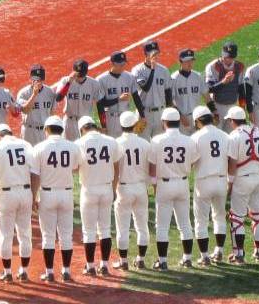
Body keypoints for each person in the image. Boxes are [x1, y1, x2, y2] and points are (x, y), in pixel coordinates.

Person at [31, 116, 80, 281]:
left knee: (48, 236)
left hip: (47, 194)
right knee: (66, 235)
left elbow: (35, 176)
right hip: (66, 194)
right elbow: (75, 168)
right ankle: (66, 271)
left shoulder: (39, 147)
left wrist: (33, 197)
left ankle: (50, 272)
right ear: (62, 129)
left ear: (46, 129)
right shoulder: (72, 146)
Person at [0, 123, 34, 281]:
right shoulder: (25, 144)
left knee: (6, 235)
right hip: (26, 192)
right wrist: (34, 195)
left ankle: (7, 273)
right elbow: (34, 171)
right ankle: (24, 271)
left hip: (7, 195)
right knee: (25, 234)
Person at [151, 108, 197, 267]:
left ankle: (162, 261)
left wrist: (154, 186)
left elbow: (152, 164)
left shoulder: (156, 140)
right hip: (183, 183)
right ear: (178, 122)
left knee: (162, 225)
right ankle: (187, 258)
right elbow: (193, 161)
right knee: (185, 224)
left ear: (164, 123)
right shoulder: (189, 140)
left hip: (164, 184)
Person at [73, 115, 119, 275]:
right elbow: (117, 165)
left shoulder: (79, 143)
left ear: (82, 129)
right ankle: (105, 265)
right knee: (105, 229)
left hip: (89, 190)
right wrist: (113, 189)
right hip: (106, 188)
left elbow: (73, 168)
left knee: (89, 230)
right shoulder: (111, 141)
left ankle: (90, 266)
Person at [190, 105, 232, 262]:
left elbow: (191, 162)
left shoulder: (195, 137)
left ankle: (204, 256)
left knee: (201, 220)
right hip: (222, 180)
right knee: (219, 217)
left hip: (204, 181)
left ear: (198, 120)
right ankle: (219, 251)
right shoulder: (224, 135)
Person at [111, 111, 152, 269]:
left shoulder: (116, 143)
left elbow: (113, 169)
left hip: (123, 187)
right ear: (135, 125)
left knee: (122, 228)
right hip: (141, 187)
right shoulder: (145, 143)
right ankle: (140, 259)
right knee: (142, 225)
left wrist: (113, 189)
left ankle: (123, 262)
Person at [227, 106, 259, 263]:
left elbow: (232, 162)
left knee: (237, 217)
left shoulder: (234, 136)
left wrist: (229, 183)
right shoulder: (257, 131)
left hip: (242, 178)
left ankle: (239, 254)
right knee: (258, 216)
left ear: (232, 121)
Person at [133, 41, 172, 135]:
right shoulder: (138, 70)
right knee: (143, 145)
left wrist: (168, 114)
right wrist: (153, 69)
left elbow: (168, 92)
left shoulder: (164, 70)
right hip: (144, 114)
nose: (155, 55)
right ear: (146, 54)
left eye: (156, 53)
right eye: (152, 53)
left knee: (160, 145)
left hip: (160, 113)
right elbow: (146, 88)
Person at [55, 59, 101, 139]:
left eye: (81, 76)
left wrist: (103, 125)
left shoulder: (94, 84)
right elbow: (58, 98)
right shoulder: (65, 81)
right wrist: (69, 83)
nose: (79, 78)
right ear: (73, 71)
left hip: (86, 123)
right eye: (78, 75)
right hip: (70, 122)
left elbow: (100, 104)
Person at [96, 52, 139, 135]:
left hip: (126, 118)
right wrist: (103, 126)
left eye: (124, 63)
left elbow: (136, 97)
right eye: (120, 64)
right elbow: (101, 104)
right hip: (111, 120)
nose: (123, 66)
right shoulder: (101, 80)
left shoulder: (129, 77)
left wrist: (142, 116)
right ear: (112, 63)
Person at [18, 64, 61, 144]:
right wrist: (34, 94)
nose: (37, 82)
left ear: (43, 79)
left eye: (39, 80)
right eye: (34, 79)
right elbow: (25, 110)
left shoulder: (50, 92)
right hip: (29, 131)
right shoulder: (23, 93)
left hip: (45, 131)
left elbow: (52, 113)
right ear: (31, 78)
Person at [205, 42, 246, 121]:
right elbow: (208, 89)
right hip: (217, 106)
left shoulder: (240, 66)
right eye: (226, 57)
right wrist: (223, 82)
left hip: (233, 106)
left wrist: (242, 107)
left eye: (231, 57)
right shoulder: (212, 66)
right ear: (222, 54)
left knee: (231, 133)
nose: (228, 59)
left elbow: (241, 89)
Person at [169, 49, 207, 128]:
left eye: (191, 61)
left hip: (197, 118)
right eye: (186, 61)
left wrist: (214, 111)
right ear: (180, 62)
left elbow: (206, 95)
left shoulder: (198, 76)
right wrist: (181, 116)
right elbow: (170, 101)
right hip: (181, 119)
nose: (190, 63)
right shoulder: (173, 79)